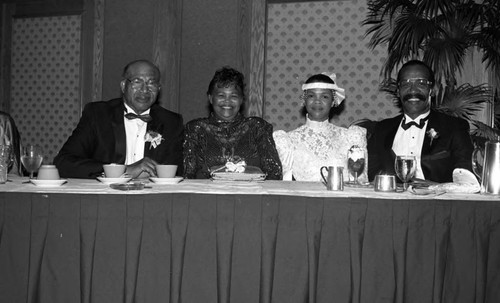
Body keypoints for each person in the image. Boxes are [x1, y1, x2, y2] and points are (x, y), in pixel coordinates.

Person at [54, 59, 184, 179]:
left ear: (159, 89)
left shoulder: (171, 122)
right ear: (123, 86)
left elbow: (177, 171)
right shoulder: (98, 115)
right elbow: (64, 163)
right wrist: (124, 170)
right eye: (137, 81)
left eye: (152, 83)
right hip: (106, 196)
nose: (145, 89)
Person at [368, 60, 474, 183]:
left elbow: (466, 179)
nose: (413, 90)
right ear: (398, 91)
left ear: (433, 90)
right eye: (405, 83)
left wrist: (433, 188)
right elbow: (369, 174)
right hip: (391, 200)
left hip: (437, 200)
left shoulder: (454, 127)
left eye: (421, 83)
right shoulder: (382, 129)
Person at [183, 66, 282, 179]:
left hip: (250, 194)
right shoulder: (195, 129)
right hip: (208, 194)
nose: (227, 101)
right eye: (221, 95)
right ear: (210, 98)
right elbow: (188, 174)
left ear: (241, 99)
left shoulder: (257, 127)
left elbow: (274, 172)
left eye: (233, 96)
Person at [273, 73, 368, 182]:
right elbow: (285, 188)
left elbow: (360, 183)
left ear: (333, 102)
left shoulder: (351, 137)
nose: (317, 101)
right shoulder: (287, 141)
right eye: (311, 96)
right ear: (304, 100)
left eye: (324, 96)